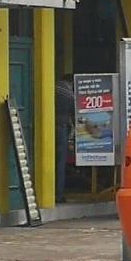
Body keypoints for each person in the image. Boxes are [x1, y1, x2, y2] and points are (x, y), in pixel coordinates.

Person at [55, 75, 73, 203]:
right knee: (60, 162)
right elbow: (75, 111)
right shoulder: (68, 93)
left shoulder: (53, 87)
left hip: (47, 127)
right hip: (62, 128)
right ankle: (59, 194)